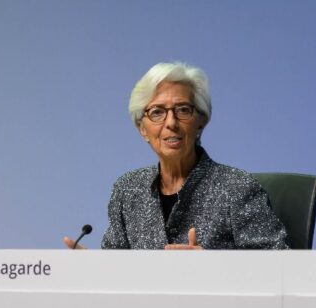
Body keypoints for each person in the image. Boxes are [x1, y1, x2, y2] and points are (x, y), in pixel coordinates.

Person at [64, 62, 288, 250]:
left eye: (182, 110)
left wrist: (211, 268)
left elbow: (279, 267)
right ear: (143, 129)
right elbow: (116, 269)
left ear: (201, 121)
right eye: (157, 112)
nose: (171, 123)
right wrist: (92, 269)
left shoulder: (237, 188)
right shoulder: (127, 190)